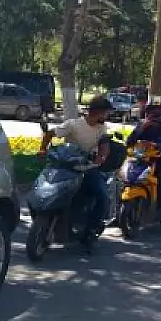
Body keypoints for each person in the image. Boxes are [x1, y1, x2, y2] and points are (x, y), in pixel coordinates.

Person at [37, 96, 113, 249]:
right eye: (106, 113)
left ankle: (90, 230)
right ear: (98, 112)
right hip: (66, 167)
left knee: (103, 197)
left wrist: (101, 158)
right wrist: (42, 149)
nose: (107, 117)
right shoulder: (73, 124)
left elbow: (104, 145)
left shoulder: (102, 128)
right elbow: (50, 134)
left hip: (87, 168)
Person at [125, 98, 161, 227]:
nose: (154, 115)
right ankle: (120, 214)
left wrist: (157, 145)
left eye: (157, 113)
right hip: (142, 160)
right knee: (126, 181)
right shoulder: (143, 125)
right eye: (151, 112)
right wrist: (141, 129)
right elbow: (129, 142)